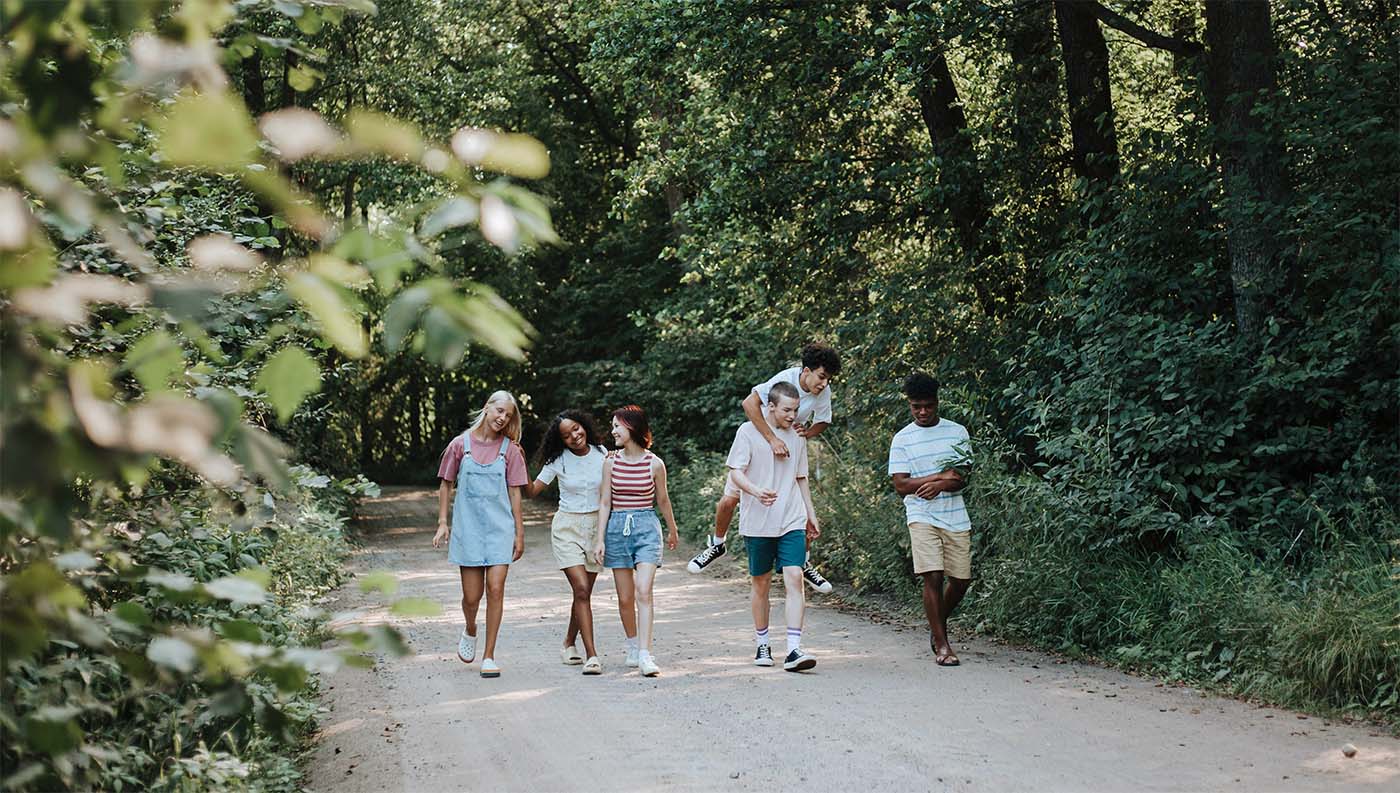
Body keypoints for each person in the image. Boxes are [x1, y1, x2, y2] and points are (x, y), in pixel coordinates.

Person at [686, 342, 841, 595]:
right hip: (760, 441)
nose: (824, 383)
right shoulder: (784, 379)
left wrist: (806, 433)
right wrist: (772, 439)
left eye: (829, 379)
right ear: (806, 371)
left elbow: (824, 421)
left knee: (797, 504)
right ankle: (717, 544)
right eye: (822, 376)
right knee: (729, 499)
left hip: (788, 448)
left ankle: (803, 561)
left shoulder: (823, 391)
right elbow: (749, 404)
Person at [432, 391, 528, 679]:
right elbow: (446, 484)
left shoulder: (511, 451)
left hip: (500, 530)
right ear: (487, 408)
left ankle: (489, 656)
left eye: (508, 415)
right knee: (471, 597)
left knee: (495, 589)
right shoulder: (459, 445)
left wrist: (519, 533)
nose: (503, 418)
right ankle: (470, 627)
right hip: (468, 530)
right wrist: (442, 522)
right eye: (499, 411)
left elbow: (515, 493)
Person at [726, 381, 820, 672]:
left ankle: (793, 649)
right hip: (758, 520)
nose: (793, 416)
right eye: (787, 410)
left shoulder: (798, 437)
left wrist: (810, 513)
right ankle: (763, 643)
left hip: (791, 517)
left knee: (794, 576)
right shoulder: (748, 431)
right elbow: (735, 472)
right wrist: (755, 491)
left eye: (796, 410)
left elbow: (801, 477)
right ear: (770, 406)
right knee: (761, 583)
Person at [887, 373, 972, 666]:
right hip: (920, 514)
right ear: (909, 405)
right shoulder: (902, 438)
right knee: (933, 575)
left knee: (960, 581)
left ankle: (937, 624)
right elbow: (901, 485)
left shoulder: (957, 432)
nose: (922, 412)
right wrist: (939, 477)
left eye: (928, 406)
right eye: (916, 407)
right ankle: (943, 645)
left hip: (955, 515)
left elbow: (962, 476)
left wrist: (941, 485)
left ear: (937, 403)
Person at [591, 405, 680, 677]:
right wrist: (599, 539)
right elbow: (605, 502)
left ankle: (644, 654)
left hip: (646, 528)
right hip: (617, 529)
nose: (613, 431)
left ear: (631, 427)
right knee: (625, 597)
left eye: (617, 426)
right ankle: (632, 645)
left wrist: (673, 530)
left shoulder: (655, 464)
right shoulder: (610, 462)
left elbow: (663, 500)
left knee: (643, 590)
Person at [525, 410, 608, 675]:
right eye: (566, 435)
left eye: (576, 429)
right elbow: (532, 491)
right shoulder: (558, 460)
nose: (574, 436)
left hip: (596, 528)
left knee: (583, 594)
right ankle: (592, 655)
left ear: (584, 426)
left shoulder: (602, 453)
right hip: (566, 528)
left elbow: (612, 493)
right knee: (581, 589)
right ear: (561, 440)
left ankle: (568, 643)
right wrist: (517, 462)